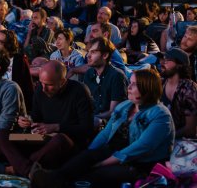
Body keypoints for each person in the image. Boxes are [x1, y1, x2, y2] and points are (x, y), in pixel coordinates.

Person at [31, 69, 175, 188]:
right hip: (111, 152)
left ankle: (54, 180)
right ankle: (51, 179)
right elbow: (105, 134)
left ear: (147, 89)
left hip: (139, 164)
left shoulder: (160, 115)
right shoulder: (124, 106)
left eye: (134, 85)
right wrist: (89, 154)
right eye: (129, 83)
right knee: (81, 160)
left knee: (93, 174)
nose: (129, 88)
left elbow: (140, 148)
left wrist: (100, 163)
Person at [0, 60, 93, 177]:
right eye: (41, 83)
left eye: (49, 85)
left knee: (60, 139)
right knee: (1, 135)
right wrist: (27, 121)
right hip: (42, 139)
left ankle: (15, 169)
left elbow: (87, 129)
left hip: (67, 143)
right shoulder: (40, 89)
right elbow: (36, 116)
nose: (44, 89)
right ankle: (28, 171)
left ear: (62, 82)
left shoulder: (79, 91)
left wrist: (56, 127)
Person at [84, 37, 127, 126]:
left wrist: (89, 118)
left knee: (94, 121)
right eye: (89, 51)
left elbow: (113, 112)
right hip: (91, 118)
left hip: (110, 123)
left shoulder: (116, 75)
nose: (88, 55)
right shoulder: (89, 73)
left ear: (105, 55)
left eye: (93, 52)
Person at [0, 30, 34, 111]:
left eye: (0, 42)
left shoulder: (19, 61)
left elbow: (28, 88)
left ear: (9, 44)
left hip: (11, 103)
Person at [160, 48, 197, 138]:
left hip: (182, 140)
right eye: (163, 59)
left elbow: (190, 130)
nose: (162, 63)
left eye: (167, 60)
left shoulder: (189, 89)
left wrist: (165, 138)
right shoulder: (161, 84)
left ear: (180, 66)